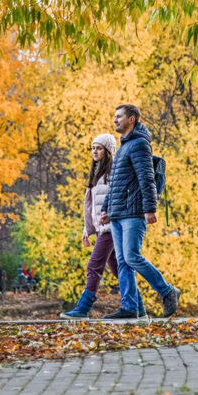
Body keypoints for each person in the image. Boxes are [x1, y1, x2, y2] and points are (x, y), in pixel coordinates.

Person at [100, 105, 181, 319]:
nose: (115, 120)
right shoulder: (123, 146)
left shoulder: (139, 145)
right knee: (123, 261)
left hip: (134, 212)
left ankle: (167, 291)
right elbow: (116, 182)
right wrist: (105, 208)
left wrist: (150, 208)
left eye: (119, 116)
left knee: (132, 256)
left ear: (131, 120)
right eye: (114, 116)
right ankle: (129, 307)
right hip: (118, 213)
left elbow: (146, 178)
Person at [60, 134, 145, 319]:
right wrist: (88, 229)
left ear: (108, 151)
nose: (95, 152)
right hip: (101, 229)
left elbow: (119, 196)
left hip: (111, 227)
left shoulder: (114, 171)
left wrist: (111, 215)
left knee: (94, 266)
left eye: (99, 148)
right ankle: (140, 308)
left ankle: (83, 308)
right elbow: (91, 206)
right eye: (93, 148)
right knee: (118, 269)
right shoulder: (96, 172)